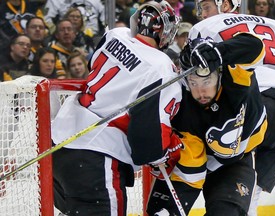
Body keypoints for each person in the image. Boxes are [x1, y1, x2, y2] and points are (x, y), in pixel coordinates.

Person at [51, 1, 182, 215]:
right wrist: (158, 155)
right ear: (165, 31)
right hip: (97, 154)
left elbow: (93, 63)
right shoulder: (162, 66)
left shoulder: (116, 34)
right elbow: (151, 129)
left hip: (59, 143)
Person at [181, 0, 275, 215]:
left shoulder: (203, 28)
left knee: (230, 172)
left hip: (251, 103)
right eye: (201, 8)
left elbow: (190, 74)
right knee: (250, 190)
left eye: (208, 7)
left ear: (227, 6)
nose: (203, 13)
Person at [147, 33, 268, 215]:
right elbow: (191, 167)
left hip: (237, 159)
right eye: (193, 82)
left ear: (219, 74)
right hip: (203, 156)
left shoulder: (235, 77)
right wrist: (172, 211)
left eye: (207, 81)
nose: (200, 91)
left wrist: (220, 52)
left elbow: (256, 47)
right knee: (160, 210)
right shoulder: (184, 107)